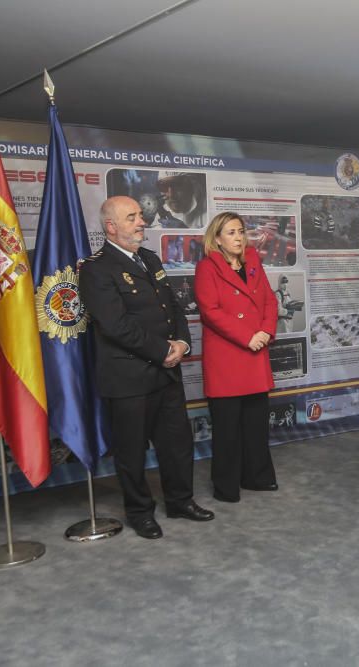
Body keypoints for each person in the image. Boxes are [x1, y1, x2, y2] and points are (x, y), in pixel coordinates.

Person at [78, 196, 214, 539]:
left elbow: (174, 309)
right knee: (131, 450)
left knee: (176, 442)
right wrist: (162, 350)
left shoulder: (149, 259)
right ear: (111, 227)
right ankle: (140, 512)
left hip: (166, 371)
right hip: (128, 376)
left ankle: (180, 501)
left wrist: (182, 343)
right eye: (132, 217)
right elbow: (115, 325)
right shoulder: (95, 268)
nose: (142, 221)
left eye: (140, 215)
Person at [194, 212, 279, 503]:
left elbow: (269, 299)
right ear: (217, 238)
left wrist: (266, 331)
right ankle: (226, 486)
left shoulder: (253, 260)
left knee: (256, 424)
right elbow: (211, 312)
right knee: (228, 428)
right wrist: (248, 336)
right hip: (228, 357)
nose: (238, 237)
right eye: (231, 232)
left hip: (256, 352)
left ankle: (257, 476)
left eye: (240, 231)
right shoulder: (206, 268)